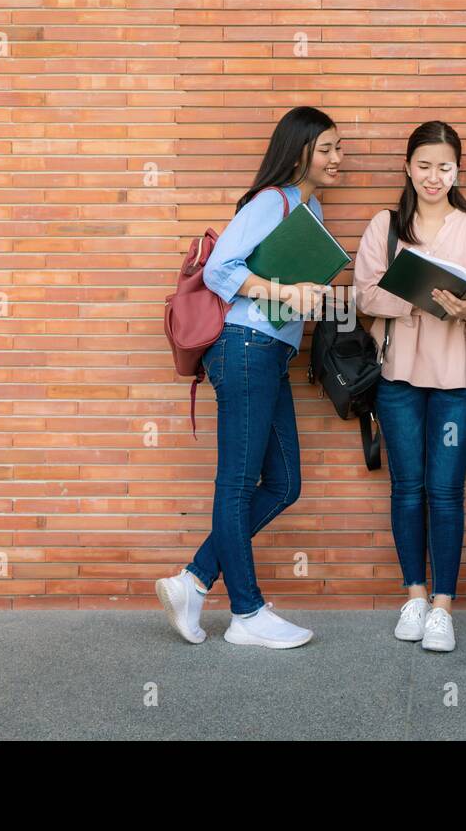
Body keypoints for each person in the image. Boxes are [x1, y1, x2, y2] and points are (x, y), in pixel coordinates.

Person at [155, 106, 342, 649]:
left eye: (339, 149)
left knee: (284, 483)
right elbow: (220, 269)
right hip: (244, 348)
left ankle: (193, 580)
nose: (338, 159)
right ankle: (247, 611)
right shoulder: (273, 201)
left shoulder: (312, 211)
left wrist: (311, 297)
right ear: (299, 151)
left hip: (268, 353)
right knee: (237, 481)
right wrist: (286, 291)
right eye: (327, 148)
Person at [353, 121, 466, 654]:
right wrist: (416, 298)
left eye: (443, 167)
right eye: (423, 166)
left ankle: (443, 605)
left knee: (445, 492)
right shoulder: (386, 226)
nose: (433, 177)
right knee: (406, 488)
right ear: (407, 167)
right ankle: (413, 594)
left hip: (458, 381)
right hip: (397, 379)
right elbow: (365, 296)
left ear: (457, 170)